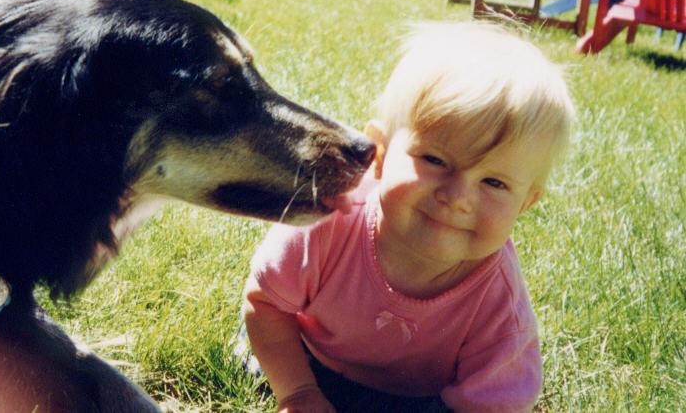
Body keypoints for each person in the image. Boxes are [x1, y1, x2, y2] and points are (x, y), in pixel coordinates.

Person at [240, 22, 575, 412]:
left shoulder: (499, 304)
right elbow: (266, 302)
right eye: (435, 160)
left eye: (494, 182)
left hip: (417, 398)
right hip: (307, 355)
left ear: (525, 204)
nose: (457, 197)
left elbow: (496, 403)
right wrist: (298, 392)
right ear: (379, 154)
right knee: (260, 355)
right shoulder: (328, 221)